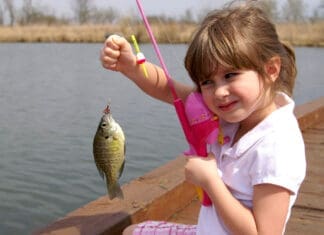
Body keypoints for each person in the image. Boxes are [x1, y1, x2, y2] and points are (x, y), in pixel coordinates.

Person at [100, 2, 306, 235]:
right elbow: (170, 90)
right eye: (207, 81)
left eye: (230, 75)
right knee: (133, 232)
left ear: (271, 70)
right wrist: (132, 67)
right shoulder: (232, 111)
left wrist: (211, 182)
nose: (219, 92)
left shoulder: (278, 145)